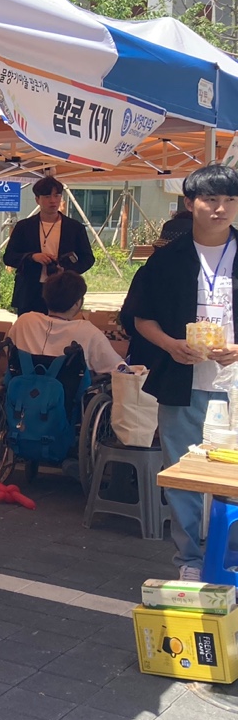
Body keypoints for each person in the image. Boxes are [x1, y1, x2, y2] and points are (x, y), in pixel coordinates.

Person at [122, 162, 238, 580]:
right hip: (181, 381)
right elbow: (141, 318)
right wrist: (170, 345)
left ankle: (230, 558)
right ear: (189, 203)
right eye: (210, 199)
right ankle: (189, 559)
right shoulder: (166, 260)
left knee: (234, 476)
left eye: (230, 200)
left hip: (234, 382)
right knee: (183, 474)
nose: (220, 209)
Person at [2, 176, 94, 316]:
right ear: (37, 199)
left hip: (62, 290)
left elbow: (88, 259)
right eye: (47, 196)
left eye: (57, 195)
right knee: (29, 327)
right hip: (30, 290)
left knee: (60, 327)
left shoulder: (74, 228)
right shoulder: (24, 227)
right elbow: (9, 257)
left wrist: (67, 270)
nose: (53, 200)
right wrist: (32, 257)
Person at [10, 272, 123, 375]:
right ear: (77, 303)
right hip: (69, 390)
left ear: (45, 297)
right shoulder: (87, 331)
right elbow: (117, 369)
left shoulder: (25, 322)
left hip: (21, 388)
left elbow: (9, 351)